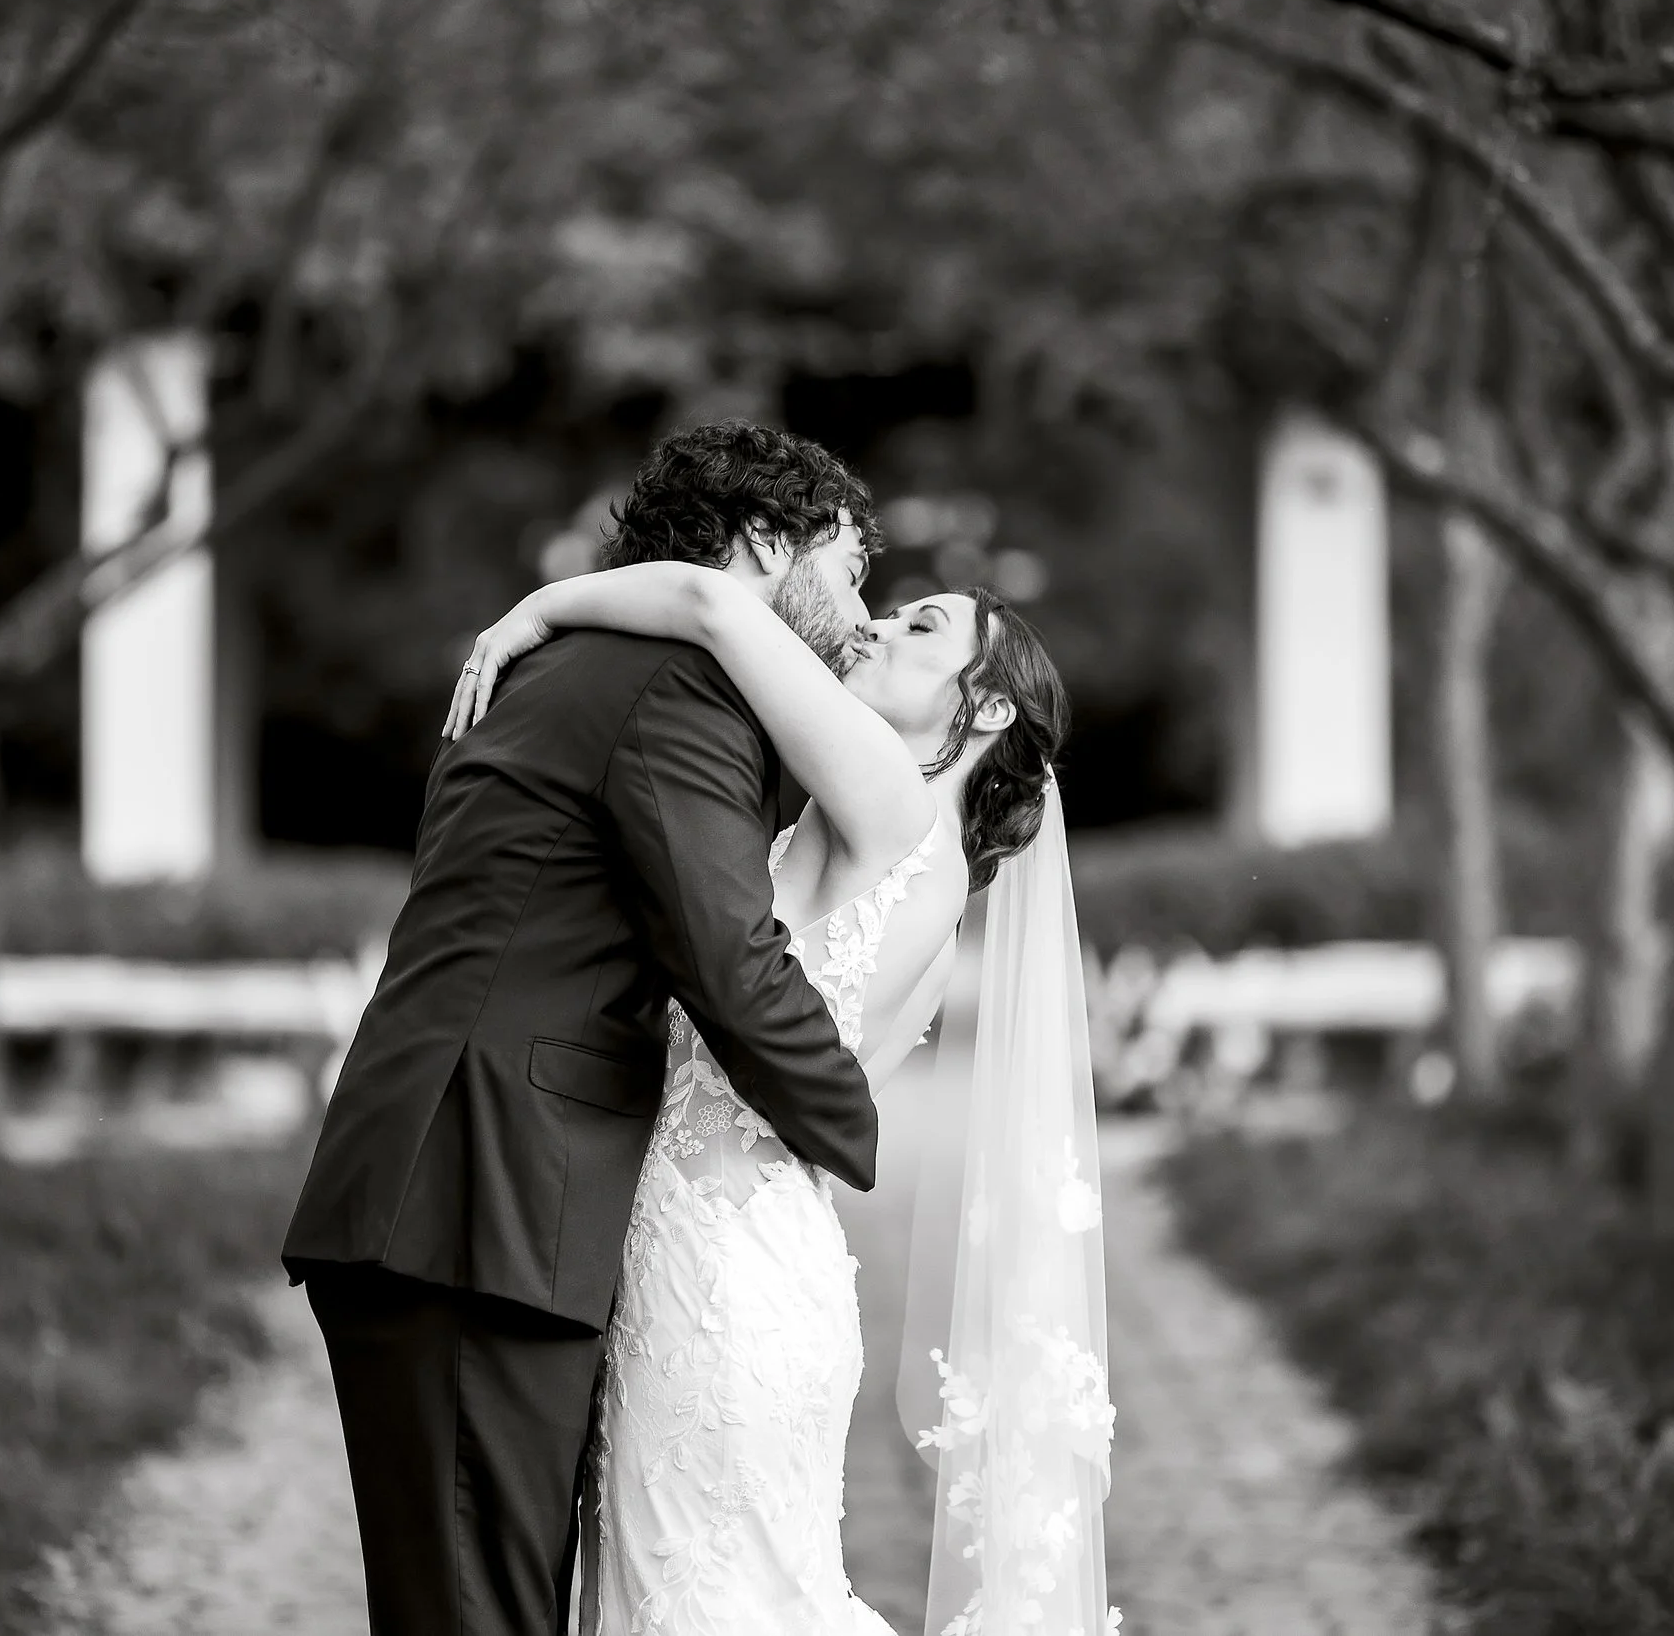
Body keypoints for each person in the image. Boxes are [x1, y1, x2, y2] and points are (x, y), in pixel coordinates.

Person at [281, 421, 884, 1636]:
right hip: (471, 1198)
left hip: (472, 1196)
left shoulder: (591, 661)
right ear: (767, 542)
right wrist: (849, 1122)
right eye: (848, 564)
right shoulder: (673, 686)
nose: (862, 612)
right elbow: (726, 953)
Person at [448, 535, 1115, 1634]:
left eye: (923, 628)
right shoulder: (928, 877)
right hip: (753, 1263)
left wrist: (533, 613)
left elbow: (712, 603)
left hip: (715, 1283)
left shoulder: (887, 798)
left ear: (985, 710)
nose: (885, 625)